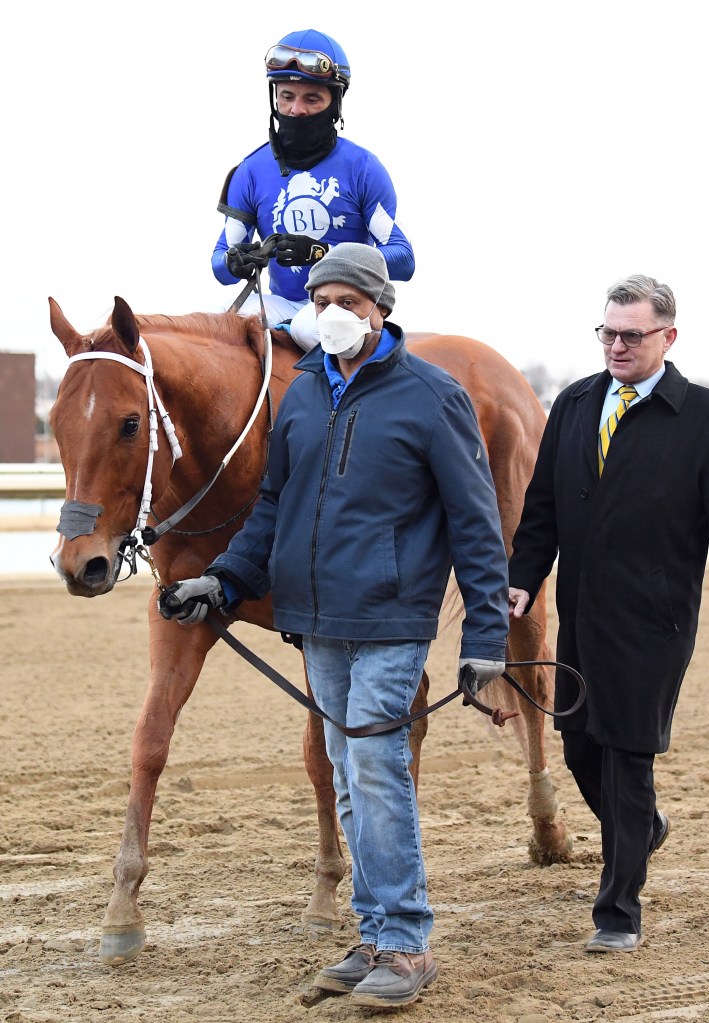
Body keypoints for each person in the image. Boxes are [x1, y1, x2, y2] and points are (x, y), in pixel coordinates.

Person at [161, 243, 508, 1006]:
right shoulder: (307, 395)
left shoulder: (432, 396)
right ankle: (376, 930)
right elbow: (275, 507)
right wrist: (222, 580)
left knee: (377, 771)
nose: (333, 315)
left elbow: (476, 527)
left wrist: (486, 641)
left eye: (349, 303)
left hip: (390, 618)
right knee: (348, 779)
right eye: (322, 301)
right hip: (313, 622)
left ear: (379, 308)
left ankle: (407, 946)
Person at [508, 274, 709, 953]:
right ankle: (642, 829)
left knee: (627, 754)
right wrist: (519, 579)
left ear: (666, 337)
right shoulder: (571, 404)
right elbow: (541, 510)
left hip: (655, 622)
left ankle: (617, 911)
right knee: (577, 744)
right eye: (607, 333)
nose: (616, 346)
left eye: (631, 335)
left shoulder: (707, 418)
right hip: (580, 618)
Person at [211, 28, 415, 352]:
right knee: (218, 321)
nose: (296, 110)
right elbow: (220, 265)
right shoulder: (249, 171)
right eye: (287, 97)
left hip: (345, 307)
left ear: (335, 103)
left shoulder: (362, 167)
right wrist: (239, 260)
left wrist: (325, 255)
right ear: (274, 97)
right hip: (284, 304)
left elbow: (404, 259)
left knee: (309, 327)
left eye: (312, 99)